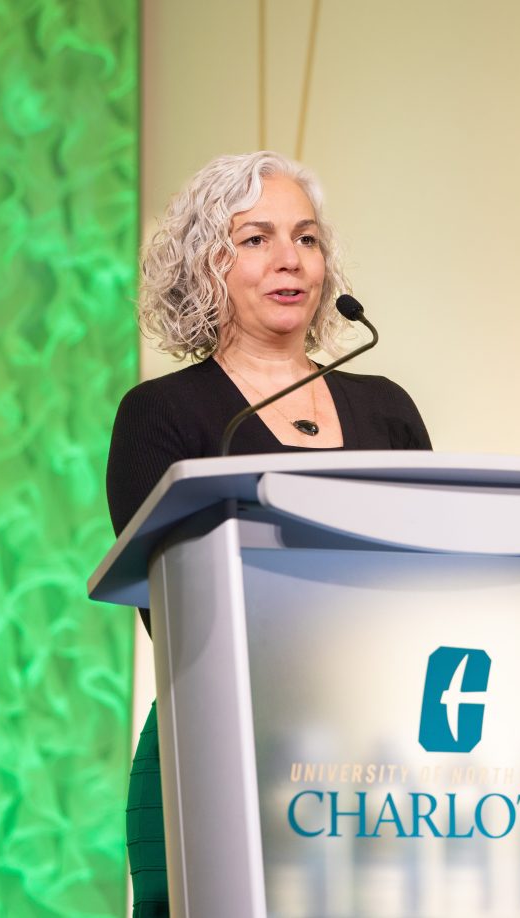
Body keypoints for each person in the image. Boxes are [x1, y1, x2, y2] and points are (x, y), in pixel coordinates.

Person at [106, 151, 430, 916]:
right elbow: (169, 607)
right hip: (218, 736)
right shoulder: (163, 415)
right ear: (207, 266)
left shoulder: (386, 407)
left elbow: (429, 576)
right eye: (256, 239)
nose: (291, 259)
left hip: (375, 748)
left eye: (306, 238)